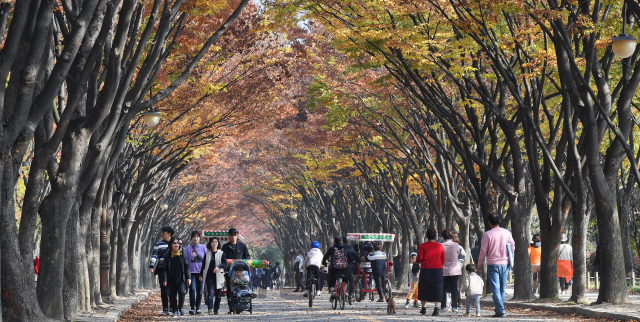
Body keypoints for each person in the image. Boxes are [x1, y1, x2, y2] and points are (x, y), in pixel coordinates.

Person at [478, 213, 515, 318]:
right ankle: (499, 309)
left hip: (493, 264)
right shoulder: (507, 233)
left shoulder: (488, 234)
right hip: (505, 263)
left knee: (495, 288)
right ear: (499, 221)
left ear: (489, 223)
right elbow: (512, 246)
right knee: (502, 289)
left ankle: (500, 310)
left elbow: (483, 251)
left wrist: (479, 265)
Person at [221, 227, 250, 313]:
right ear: (229, 236)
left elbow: (248, 257)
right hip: (229, 272)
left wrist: (244, 264)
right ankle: (231, 307)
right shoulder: (225, 247)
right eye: (231, 235)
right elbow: (222, 258)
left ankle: (240, 306)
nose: (233, 237)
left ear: (237, 236)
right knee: (230, 289)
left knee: (242, 287)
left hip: (240, 271)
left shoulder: (242, 246)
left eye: (235, 235)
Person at [417, 228, 444, 316]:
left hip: (425, 270)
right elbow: (443, 259)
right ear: (435, 236)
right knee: (438, 289)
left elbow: (419, 258)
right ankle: (436, 309)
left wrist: (416, 262)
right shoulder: (440, 246)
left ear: (426, 236)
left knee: (424, 288)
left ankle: (424, 308)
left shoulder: (423, 246)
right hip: (437, 270)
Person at [322, 236, 359, 302]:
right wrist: (353, 262)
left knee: (331, 280)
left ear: (334, 241)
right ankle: (344, 291)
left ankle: (333, 291)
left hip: (334, 268)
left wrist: (324, 262)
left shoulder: (332, 249)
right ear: (342, 241)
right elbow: (351, 258)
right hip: (344, 268)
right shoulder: (346, 248)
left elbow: (325, 256)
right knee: (346, 278)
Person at [162, 237, 191, 317]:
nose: (176, 244)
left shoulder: (182, 254)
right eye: (174, 243)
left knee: (182, 292)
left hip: (181, 278)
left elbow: (186, 266)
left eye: (177, 243)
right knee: (172, 295)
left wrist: (188, 277)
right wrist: (165, 279)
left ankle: (181, 308)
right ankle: (175, 310)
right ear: (171, 244)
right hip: (171, 279)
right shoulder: (168, 255)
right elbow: (164, 268)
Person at [149, 226, 174, 316]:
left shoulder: (175, 243)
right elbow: (154, 255)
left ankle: (172, 307)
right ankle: (165, 308)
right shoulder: (158, 244)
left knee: (172, 290)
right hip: (161, 269)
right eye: (162, 232)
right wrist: (152, 265)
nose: (162, 234)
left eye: (164, 232)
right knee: (164, 290)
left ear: (169, 234)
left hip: (173, 270)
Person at [201, 237, 226, 315]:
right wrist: (201, 274)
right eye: (212, 242)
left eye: (215, 242)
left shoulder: (221, 253)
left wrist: (219, 267)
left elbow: (225, 263)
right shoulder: (207, 253)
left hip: (219, 275)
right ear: (210, 243)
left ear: (218, 243)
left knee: (218, 294)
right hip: (209, 275)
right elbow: (204, 264)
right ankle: (210, 308)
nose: (214, 243)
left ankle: (216, 309)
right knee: (210, 293)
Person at [186, 231, 206, 315]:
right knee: (192, 289)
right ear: (191, 238)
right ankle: (192, 307)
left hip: (200, 272)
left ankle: (198, 307)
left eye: (197, 237)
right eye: (194, 237)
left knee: (200, 290)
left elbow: (205, 260)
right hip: (191, 272)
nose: (195, 238)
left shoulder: (203, 247)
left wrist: (197, 253)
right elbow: (186, 260)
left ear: (199, 238)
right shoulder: (188, 248)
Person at [441, 229, 462, 312]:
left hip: (443, 269)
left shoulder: (441, 245)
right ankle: (454, 306)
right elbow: (458, 253)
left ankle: (443, 306)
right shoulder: (456, 245)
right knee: (454, 288)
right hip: (454, 269)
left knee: (443, 288)